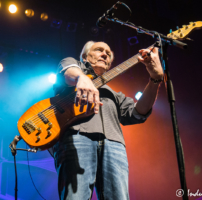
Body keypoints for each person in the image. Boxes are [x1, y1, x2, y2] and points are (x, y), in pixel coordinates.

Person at [52, 41, 164, 200]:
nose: (105, 54)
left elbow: (140, 111)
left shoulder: (115, 95)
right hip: (76, 137)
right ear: (85, 56)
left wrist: (155, 79)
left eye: (109, 53)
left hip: (114, 145)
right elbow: (69, 73)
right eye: (99, 50)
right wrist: (81, 78)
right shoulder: (71, 64)